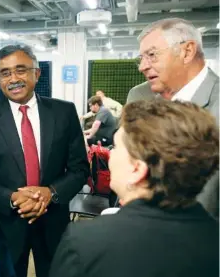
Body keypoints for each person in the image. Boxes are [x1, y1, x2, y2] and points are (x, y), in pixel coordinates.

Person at [50, 99, 219, 277]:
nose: (111, 155)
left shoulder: (84, 242)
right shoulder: (213, 237)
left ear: (137, 170)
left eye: (115, 147)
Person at [0, 44, 88, 277]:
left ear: (37, 73)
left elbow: (80, 169)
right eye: (5, 73)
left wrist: (50, 193)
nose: (13, 79)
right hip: (6, 224)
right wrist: (12, 198)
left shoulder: (64, 112)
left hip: (53, 221)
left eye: (21, 70)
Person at [137, 17, 219, 219]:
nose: (142, 67)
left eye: (152, 55)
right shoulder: (140, 97)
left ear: (187, 51)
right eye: (141, 58)